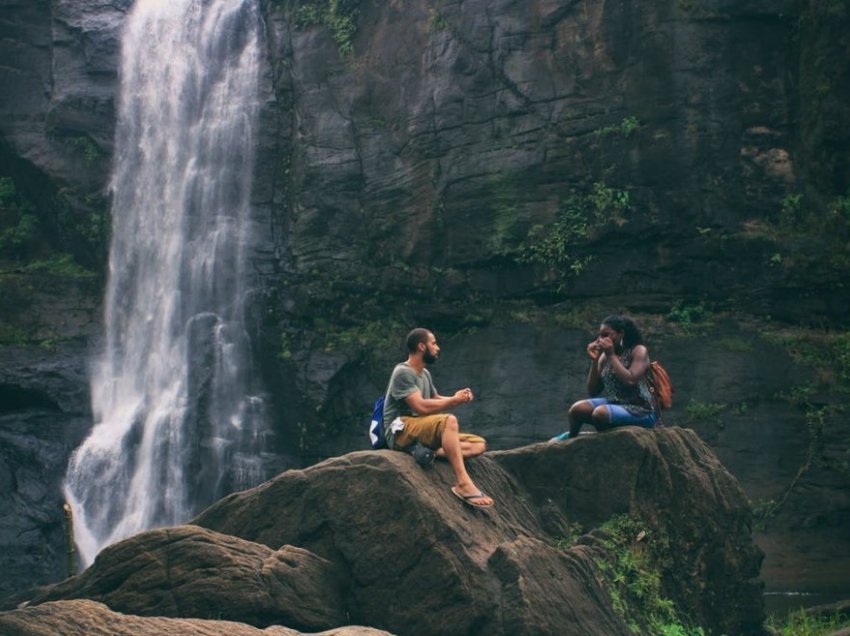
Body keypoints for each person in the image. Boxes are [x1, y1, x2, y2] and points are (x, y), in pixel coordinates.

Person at [382, 328, 494, 508]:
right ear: (421, 346)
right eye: (433, 343)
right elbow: (420, 406)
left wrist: (456, 398)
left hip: (418, 429)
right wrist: (453, 402)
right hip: (400, 429)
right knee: (448, 421)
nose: (437, 348)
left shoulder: (424, 374)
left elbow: (434, 399)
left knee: (478, 445)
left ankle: (429, 452)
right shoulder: (403, 372)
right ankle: (463, 484)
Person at [552, 314, 658, 441]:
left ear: (621, 334)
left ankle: (604, 440)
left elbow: (630, 380)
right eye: (600, 335)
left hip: (642, 410)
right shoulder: (604, 357)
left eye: (607, 335)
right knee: (577, 409)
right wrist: (595, 359)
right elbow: (593, 391)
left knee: (600, 413)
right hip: (616, 403)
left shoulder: (638, 351)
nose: (601, 339)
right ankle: (571, 439)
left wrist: (611, 355)